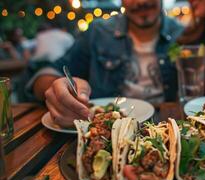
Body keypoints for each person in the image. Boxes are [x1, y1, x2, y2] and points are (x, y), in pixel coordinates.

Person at [29, 0, 183, 127]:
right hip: (104, 131)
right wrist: (58, 90)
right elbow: (48, 73)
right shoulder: (98, 32)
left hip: (164, 126)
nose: (141, 2)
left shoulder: (185, 34)